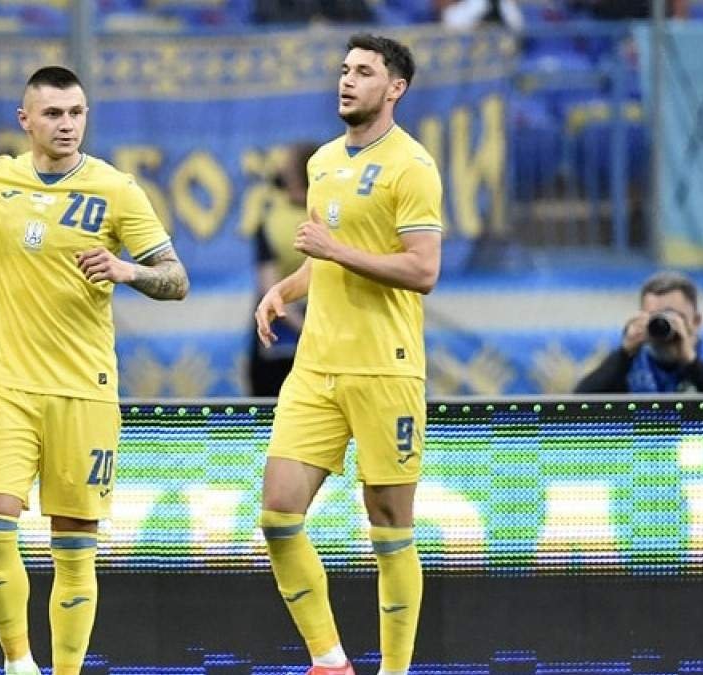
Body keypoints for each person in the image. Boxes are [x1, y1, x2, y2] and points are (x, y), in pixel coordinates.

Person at [0, 66, 188, 675]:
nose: (67, 124)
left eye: (76, 113)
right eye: (53, 114)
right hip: (8, 388)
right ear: (25, 120)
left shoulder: (116, 189)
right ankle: (19, 663)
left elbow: (176, 279)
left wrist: (128, 271)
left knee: (74, 552)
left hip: (85, 391)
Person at [254, 34, 443, 675]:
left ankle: (395, 669)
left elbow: (422, 270)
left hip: (385, 366)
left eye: (363, 71)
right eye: (344, 69)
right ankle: (330, 661)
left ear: (395, 88)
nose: (347, 80)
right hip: (315, 367)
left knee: (389, 526)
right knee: (278, 514)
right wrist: (286, 288)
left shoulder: (411, 166)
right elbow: (324, 258)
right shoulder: (323, 162)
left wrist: (335, 251)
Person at [249, 142, 320, 397]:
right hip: (307, 332)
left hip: (289, 330)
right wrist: (313, 331)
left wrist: (306, 330)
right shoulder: (334, 217)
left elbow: (269, 285)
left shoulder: (272, 221)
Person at [575, 271, 703, 393]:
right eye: (654, 317)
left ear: (696, 321)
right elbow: (580, 402)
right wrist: (624, 355)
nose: (662, 324)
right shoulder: (631, 361)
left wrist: (692, 363)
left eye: (672, 316)